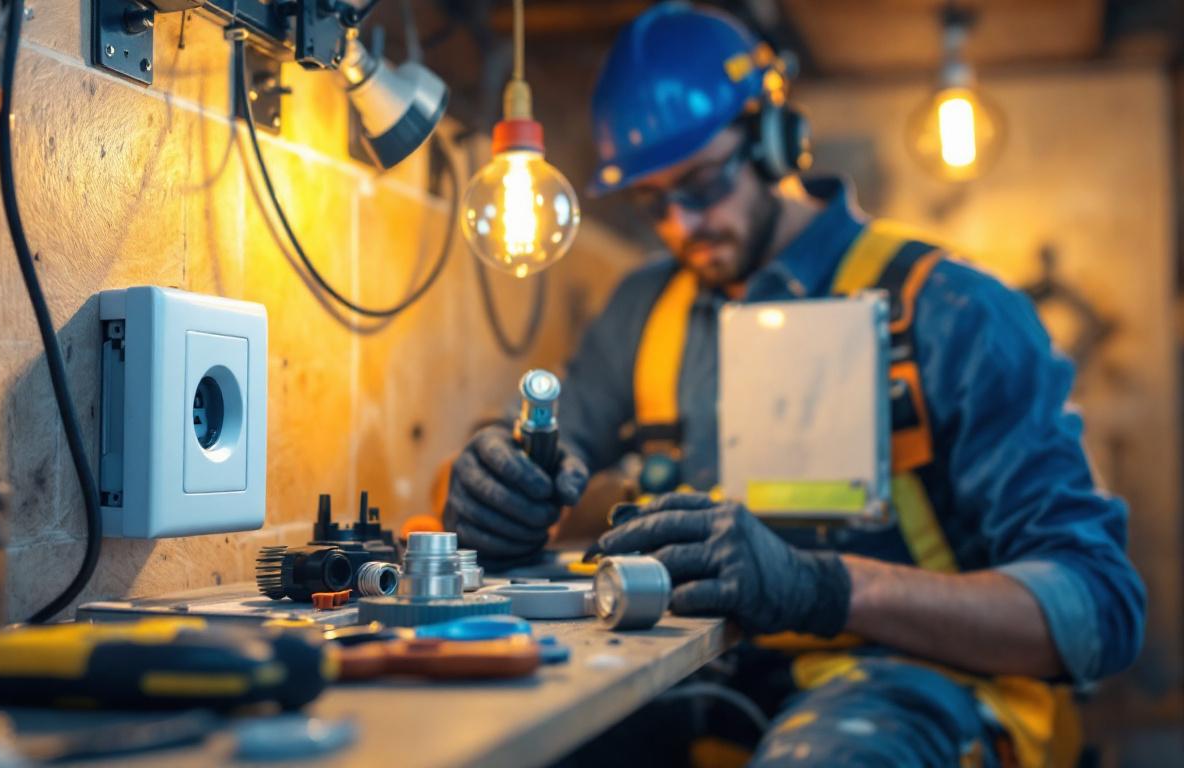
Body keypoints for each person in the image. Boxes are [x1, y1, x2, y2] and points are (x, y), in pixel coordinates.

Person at [441, 3, 1146, 766]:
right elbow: (552, 451)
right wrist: (502, 486)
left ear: (775, 141)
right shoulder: (644, 310)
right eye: (653, 202)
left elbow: (1097, 610)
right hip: (706, 670)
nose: (681, 226)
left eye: (701, 185)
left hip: (911, 676)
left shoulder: (953, 311)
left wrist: (823, 588)